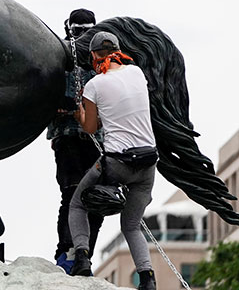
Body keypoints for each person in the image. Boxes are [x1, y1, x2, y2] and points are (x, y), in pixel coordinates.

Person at [68, 31, 158, 290]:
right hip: (148, 163)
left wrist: (78, 113)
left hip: (116, 163)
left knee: (77, 204)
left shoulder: (95, 85)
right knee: (131, 225)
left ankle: (82, 259)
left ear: (95, 55)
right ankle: (148, 279)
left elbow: (90, 127)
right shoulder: (137, 73)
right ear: (118, 50)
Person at [47, 8, 104, 273]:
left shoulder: (101, 62)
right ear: (69, 29)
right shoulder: (57, 57)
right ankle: (65, 253)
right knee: (71, 194)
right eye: (77, 31)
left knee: (98, 197)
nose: (80, 36)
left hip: (95, 139)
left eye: (86, 31)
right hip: (67, 137)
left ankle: (84, 254)